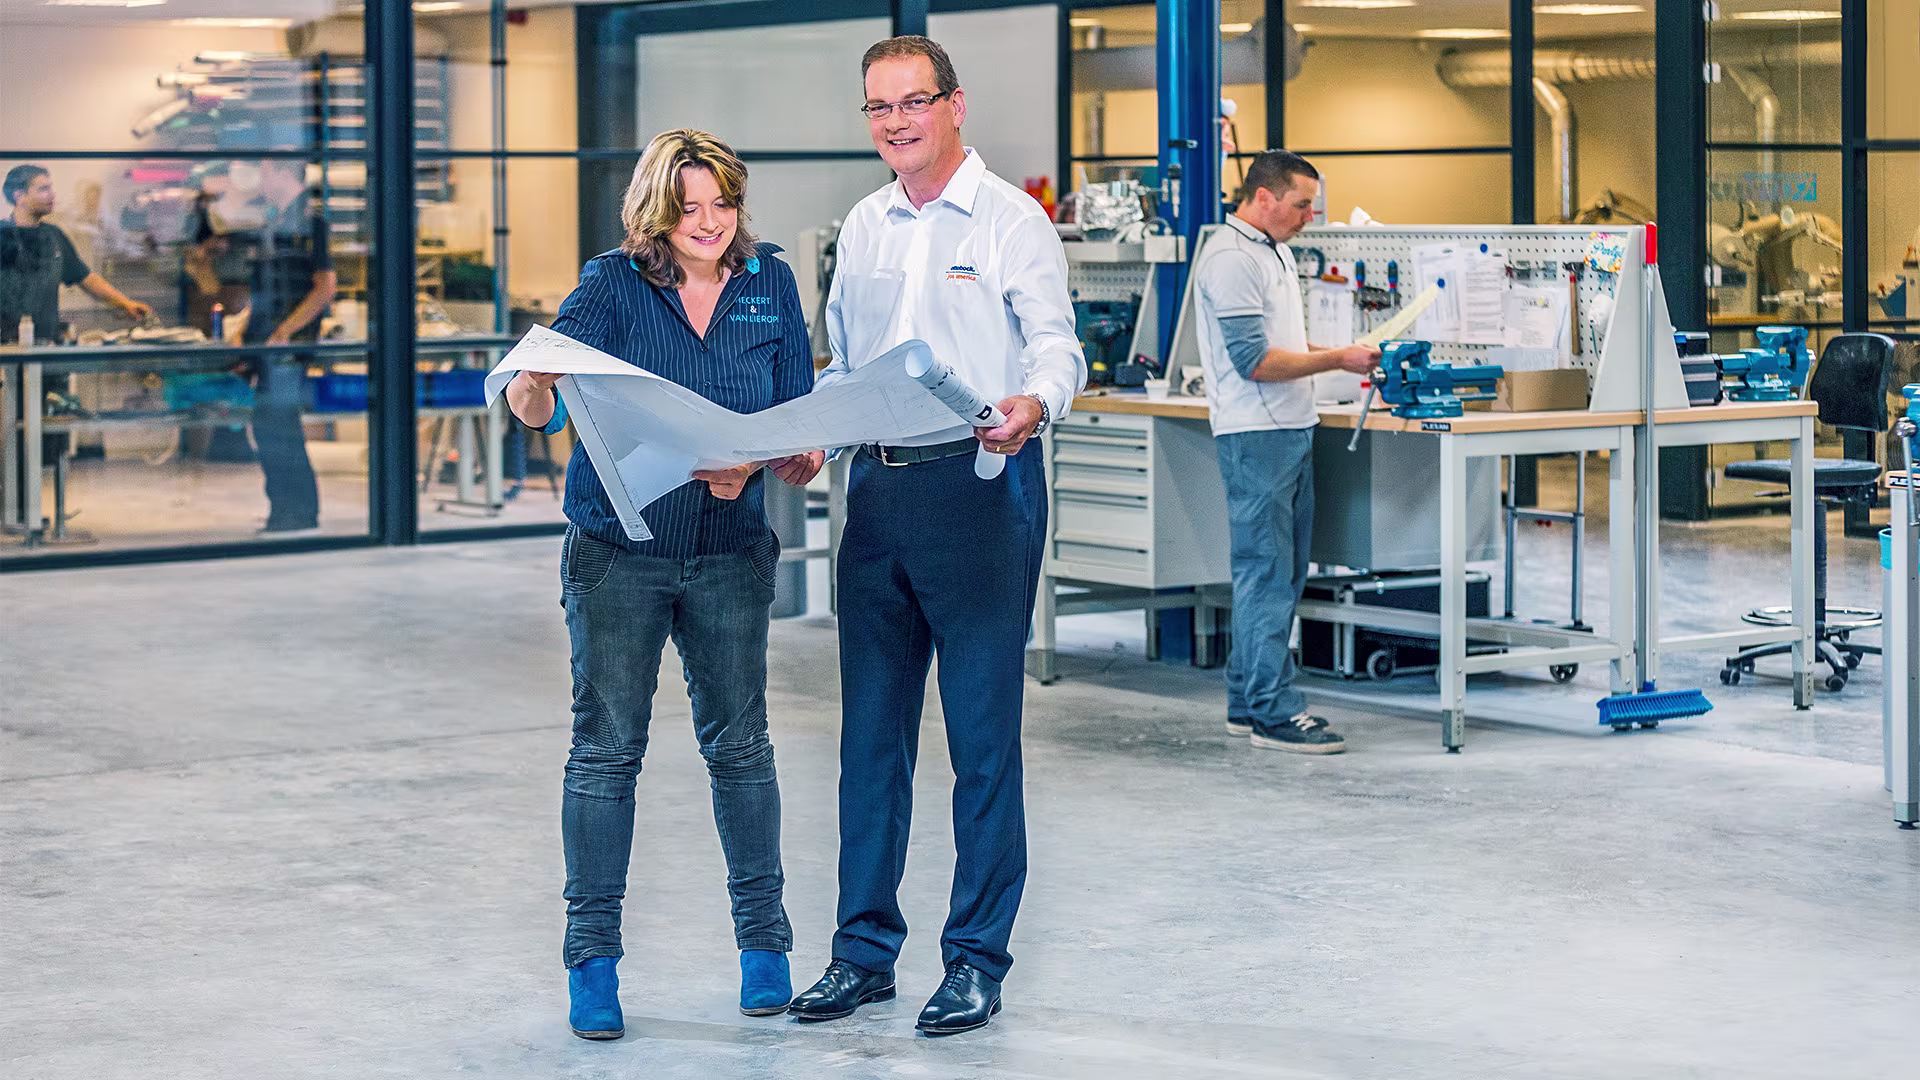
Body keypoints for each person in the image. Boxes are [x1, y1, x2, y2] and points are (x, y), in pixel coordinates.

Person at [785, 36, 1084, 1037]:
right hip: (877, 494)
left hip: (982, 488)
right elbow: (848, 364)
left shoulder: (1010, 220)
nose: (896, 122)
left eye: (914, 101)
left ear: (956, 105)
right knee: (870, 740)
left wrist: (1035, 403)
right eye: (879, 107)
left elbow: (1057, 346)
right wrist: (816, 437)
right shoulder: (865, 225)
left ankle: (975, 961)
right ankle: (862, 954)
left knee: (981, 741)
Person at [500, 128, 823, 1041]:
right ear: (656, 213)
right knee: (607, 751)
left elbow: (798, 421)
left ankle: (765, 948)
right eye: (689, 209)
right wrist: (532, 384)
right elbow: (537, 404)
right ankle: (592, 963)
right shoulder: (611, 284)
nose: (710, 223)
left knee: (741, 749)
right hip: (620, 551)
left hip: (729, 551)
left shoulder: (769, 282)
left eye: (722, 203)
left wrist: (770, 459)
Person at [1192, 150, 1378, 754]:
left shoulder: (1273, 251)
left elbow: (1284, 342)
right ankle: (1273, 711)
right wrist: (1338, 359)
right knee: (1267, 575)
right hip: (1257, 434)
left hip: (1290, 426)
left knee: (1282, 573)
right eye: (1301, 205)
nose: (1308, 217)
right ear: (1264, 197)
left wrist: (1342, 354)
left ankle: (1247, 701)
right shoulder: (1231, 258)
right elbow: (1255, 360)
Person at [228, 158, 335, 532]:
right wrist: (245, 336)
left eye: (266, 170)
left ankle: (298, 512)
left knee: (279, 426)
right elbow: (263, 292)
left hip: (286, 348)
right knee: (268, 426)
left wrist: (287, 331)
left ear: (284, 173)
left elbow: (325, 287)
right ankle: (285, 510)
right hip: (267, 344)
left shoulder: (310, 223)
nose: (260, 178)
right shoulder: (275, 222)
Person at [2, 164, 151, 343]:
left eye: (50, 188)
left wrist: (125, 303)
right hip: (6, 347)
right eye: (43, 189)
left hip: (47, 345)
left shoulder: (53, 236)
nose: (52, 194)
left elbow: (86, 278)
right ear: (19, 196)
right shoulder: (3, 236)